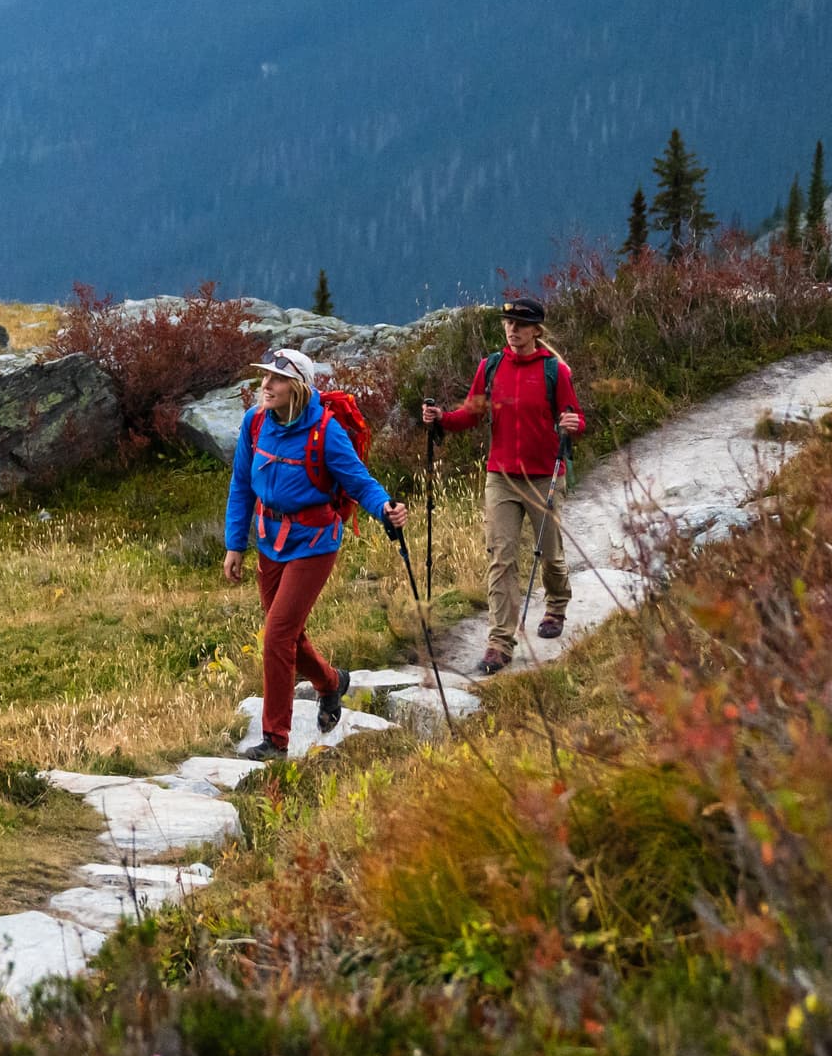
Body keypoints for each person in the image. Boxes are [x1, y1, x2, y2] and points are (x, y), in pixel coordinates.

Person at [219, 346, 401, 760]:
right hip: (269, 539)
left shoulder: (326, 432)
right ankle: (332, 682)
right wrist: (235, 544)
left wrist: (386, 509)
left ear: (298, 387)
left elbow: (360, 482)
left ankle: (275, 740)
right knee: (290, 637)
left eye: (276, 379)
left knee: (277, 636)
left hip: (314, 543)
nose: (265, 385)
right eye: (265, 377)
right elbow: (241, 486)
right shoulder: (255, 422)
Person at [419, 295, 584, 675]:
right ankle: (499, 643)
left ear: (536, 331)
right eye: (509, 324)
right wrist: (441, 418)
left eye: (522, 325)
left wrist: (572, 426)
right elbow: (471, 415)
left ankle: (557, 605)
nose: (513, 330)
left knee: (550, 553)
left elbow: (574, 417)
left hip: (544, 475)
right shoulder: (491, 368)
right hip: (501, 477)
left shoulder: (555, 371)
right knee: (501, 557)